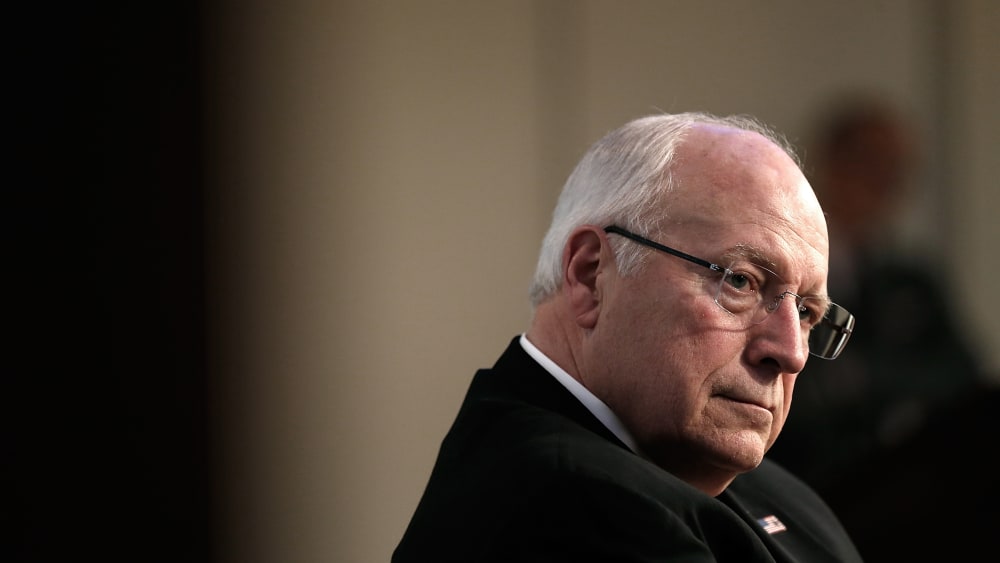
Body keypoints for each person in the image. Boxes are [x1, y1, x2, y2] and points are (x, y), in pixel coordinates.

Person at [393, 112, 862, 562]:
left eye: (805, 311)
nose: (792, 353)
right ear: (591, 274)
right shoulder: (571, 505)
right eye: (741, 281)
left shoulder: (777, 492)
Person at [765, 98, 994, 560]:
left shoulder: (912, 279)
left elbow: (963, 372)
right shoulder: (783, 270)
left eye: (897, 170)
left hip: (907, 481)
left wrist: (865, 379)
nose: (885, 183)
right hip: (814, 479)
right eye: (870, 164)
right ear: (830, 164)